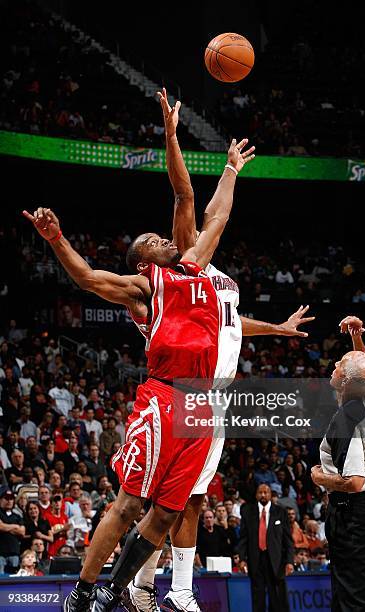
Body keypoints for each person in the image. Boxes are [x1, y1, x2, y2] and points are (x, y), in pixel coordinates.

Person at [24, 127, 255, 612]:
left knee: (167, 512)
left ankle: (117, 589)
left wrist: (231, 169)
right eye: (151, 240)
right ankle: (83, 592)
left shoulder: (196, 265)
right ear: (142, 259)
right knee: (130, 503)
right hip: (165, 396)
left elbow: (216, 211)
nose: (161, 238)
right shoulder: (146, 288)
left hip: (202, 406)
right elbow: (88, 278)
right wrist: (57, 239)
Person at [125, 88, 313, 612]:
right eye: (160, 242)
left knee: (193, 497)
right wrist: (173, 138)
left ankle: (162, 589)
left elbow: (231, 324)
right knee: (168, 499)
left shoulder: (213, 279)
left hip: (217, 396)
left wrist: (274, 329)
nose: (175, 238)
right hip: (185, 391)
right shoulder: (181, 270)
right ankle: (153, 586)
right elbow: (190, 199)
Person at [311, 316, 365, 612]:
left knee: (354, 599)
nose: (333, 366)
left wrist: (320, 477)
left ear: (345, 381)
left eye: (339, 366)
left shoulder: (348, 419)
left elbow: (354, 482)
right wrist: (357, 339)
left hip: (355, 514)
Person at [237, 483, 293, 611]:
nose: (263, 495)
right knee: (258, 599)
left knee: (278, 600)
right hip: (255, 561)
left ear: (270, 494)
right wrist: (242, 558)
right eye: (260, 492)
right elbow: (243, 538)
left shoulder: (281, 512)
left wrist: (289, 561)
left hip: (276, 562)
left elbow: (288, 540)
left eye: (266, 492)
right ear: (256, 495)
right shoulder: (247, 511)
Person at [0, 487, 25, 574]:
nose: (9, 501)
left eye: (11, 499)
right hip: (0, 553)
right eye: (6, 498)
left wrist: (5, 527)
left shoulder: (17, 516)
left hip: (14, 552)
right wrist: (15, 526)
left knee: (14, 578)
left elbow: (22, 532)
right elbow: (0, 527)